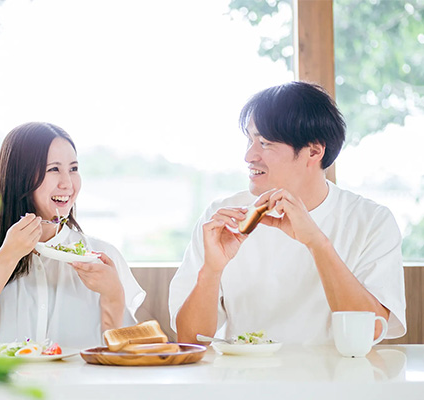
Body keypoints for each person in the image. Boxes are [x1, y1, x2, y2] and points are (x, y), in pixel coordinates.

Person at [169, 81, 406, 345]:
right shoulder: (222, 218)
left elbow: (371, 331)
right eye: (250, 140)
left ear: (314, 151)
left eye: (265, 143)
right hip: (242, 371)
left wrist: (317, 243)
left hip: (335, 372)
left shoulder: (372, 221)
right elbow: (190, 339)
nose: (249, 155)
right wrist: (212, 270)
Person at [0, 122, 145, 349]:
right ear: (20, 177)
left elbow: (125, 351)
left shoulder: (100, 256)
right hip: (0, 375)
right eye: (53, 169)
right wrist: (7, 256)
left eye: (73, 168)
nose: (67, 183)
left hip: (77, 374)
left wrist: (113, 293)